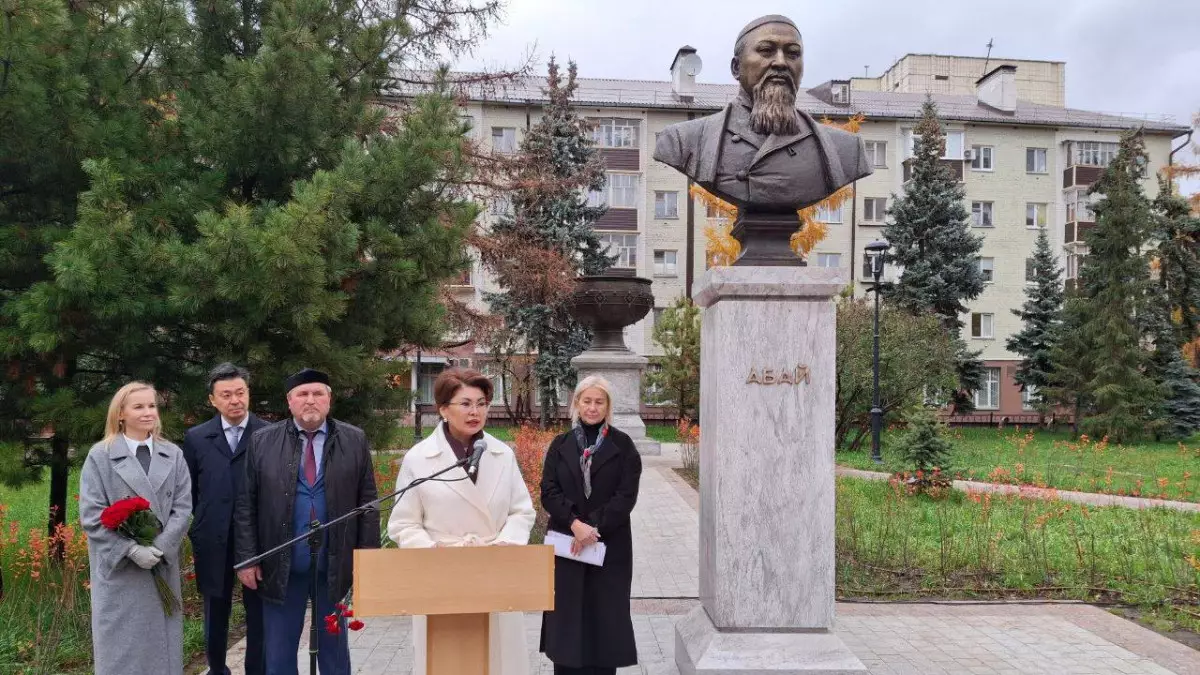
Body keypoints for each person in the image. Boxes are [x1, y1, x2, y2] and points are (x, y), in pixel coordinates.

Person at [387, 367, 536, 675]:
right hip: (442, 576)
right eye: (465, 404)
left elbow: (522, 511)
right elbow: (403, 524)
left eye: (481, 403)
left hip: (494, 571)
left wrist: (507, 543)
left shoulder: (501, 454)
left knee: (499, 661)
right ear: (443, 409)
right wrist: (431, 550)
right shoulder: (420, 458)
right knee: (446, 662)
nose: (475, 412)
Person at [233, 368, 379, 675]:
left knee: (334, 647)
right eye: (302, 394)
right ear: (289, 401)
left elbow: (368, 504)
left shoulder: (353, 439)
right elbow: (246, 504)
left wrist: (367, 561)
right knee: (279, 648)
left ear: (329, 399)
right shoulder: (263, 442)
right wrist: (247, 558)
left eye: (317, 394)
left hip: (335, 562)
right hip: (280, 560)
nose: (310, 400)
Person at [653, 14, 872, 213]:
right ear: (736, 68)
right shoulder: (683, 141)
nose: (780, 62)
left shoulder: (847, 151)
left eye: (793, 53)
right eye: (766, 51)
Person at [79, 381, 192, 674]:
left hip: (161, 565)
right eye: (138, 406)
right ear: (120, 414)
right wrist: (130, 549)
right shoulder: (100, 456)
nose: (148, 412)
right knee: (123, 654)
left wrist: (160, 546)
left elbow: (182, 508)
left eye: (152, 406)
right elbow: (91, 515)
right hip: (121, 572)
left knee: (162, 653)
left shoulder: (173, 454)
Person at [538, 376, 642, 675]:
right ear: (576, 404)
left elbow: (626, 496)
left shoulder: (623, 446)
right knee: (567, 621)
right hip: (567, 545)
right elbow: (549, 490)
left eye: (599, 402)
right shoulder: (561, 444)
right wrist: (574, 524)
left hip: (608, 546)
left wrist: (591, 528)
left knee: (604, 621)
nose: (592, 407)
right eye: (587, 401)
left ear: (608, 406)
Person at [183, 363, 267, 675]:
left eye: (240, 393)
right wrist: (206, 519)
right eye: (226, 395)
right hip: (212, 539)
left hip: (258, 539)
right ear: (213, 400)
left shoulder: (268, 433)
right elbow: (189, 491)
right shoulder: (196, 437)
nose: (235, 400)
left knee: (258, 612)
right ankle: (217, 670)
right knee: (215, 610)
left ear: (248, 394)